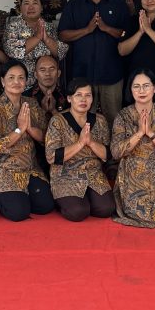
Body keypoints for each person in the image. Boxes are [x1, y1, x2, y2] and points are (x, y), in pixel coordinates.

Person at [0, 60, 54, 221]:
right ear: (2, 81)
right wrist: (19, 130)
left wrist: (29, 129)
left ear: (26, 81)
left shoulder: (31, 104)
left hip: (28, 167)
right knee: (18, 212)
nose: (16, 82)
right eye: (11, 77)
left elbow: (47, 137)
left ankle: (19, 196)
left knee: (45, 206)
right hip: (1, 168)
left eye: (21, 78)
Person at [58, 0, 129, 124]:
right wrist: (86, 30)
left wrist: (106, 28)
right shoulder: (74, 5)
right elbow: (62, 35)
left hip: (111, 74)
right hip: (82, 74)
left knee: (114, 120)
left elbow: (127, 33)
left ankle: (113, 150)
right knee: (83, 120)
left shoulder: (118, 4)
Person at [110, 69, 155, 228]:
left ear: (154, 88)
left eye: (146, 86)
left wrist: (150, 133)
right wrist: (139, 134)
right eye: (136, 86)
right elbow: (115, 152)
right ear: (130, 90)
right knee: (136, 213)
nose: (141, 91)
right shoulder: (123, 116)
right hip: (132, 172)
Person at [44, 77, 114, 221]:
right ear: (69, 98)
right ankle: (64, 200)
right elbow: (51, 157)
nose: (84, 99)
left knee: (106, 209)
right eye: (78, 95)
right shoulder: (58, 121)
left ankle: (86, 198)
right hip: (66, 174)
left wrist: (91, 143)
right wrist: (80, 144)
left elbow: (108, 154)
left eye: (88, 95)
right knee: (78, 212)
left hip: (93, 173)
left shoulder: (99, 120)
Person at [3, 0, 68, 90]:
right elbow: (13, 51)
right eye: (26, 3)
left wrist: (46, 39)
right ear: (21, 8)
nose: (31, 7)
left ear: (41, 7)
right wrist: (37, 37)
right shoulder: (13, 25)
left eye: (35, 3)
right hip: (22, 86)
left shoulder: (49, 27)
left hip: (46, 86)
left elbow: (60, 53)